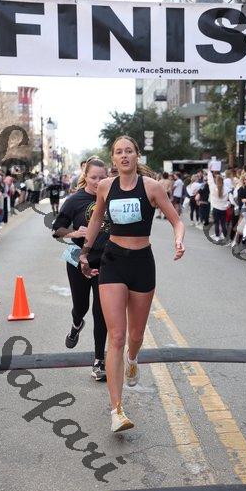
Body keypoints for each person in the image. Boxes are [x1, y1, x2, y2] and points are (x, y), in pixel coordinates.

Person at [79, 136, 185, 433]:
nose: (124, 156)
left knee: (135, 335)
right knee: (117, 335)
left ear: (137, 155)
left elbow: (176, 220)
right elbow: (96, 220)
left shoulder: (152, 187)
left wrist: (179, 239)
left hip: (142, 263)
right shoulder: (105, 187)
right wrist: (85, 252)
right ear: (113, 158)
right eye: (118, 152)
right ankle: (116, 410)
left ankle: (133, 358)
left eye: (129, 151)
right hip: (113, 260)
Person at [52, 157, 109, 382]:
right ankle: (77, 324)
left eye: (102, 177)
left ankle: (99, 361)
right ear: (86, 176)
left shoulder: (112, 197)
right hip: (78, 259)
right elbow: (57, 229)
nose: (98, 181)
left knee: (101, 311)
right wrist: (74, 233)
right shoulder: (74, 200)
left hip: (105, 261)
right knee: (81, 306)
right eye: (94, 177)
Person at [207, 167, 229, 242]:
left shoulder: (213, 188)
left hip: (216, 208)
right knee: (223, 223)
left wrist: (209, 171)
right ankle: (225, 237)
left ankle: (217, 236)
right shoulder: (226, 189)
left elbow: (210, 180)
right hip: (223, 209)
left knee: (216, 223)